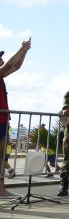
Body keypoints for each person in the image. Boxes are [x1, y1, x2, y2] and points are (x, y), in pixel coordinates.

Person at [0, 39, 31, 185]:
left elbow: (16, 66)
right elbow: (9, 66)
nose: (2, 59)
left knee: (2, 155)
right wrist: (21, 49)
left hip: (3, 120)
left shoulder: (1, 77)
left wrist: (24, 52)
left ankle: (1, 188)